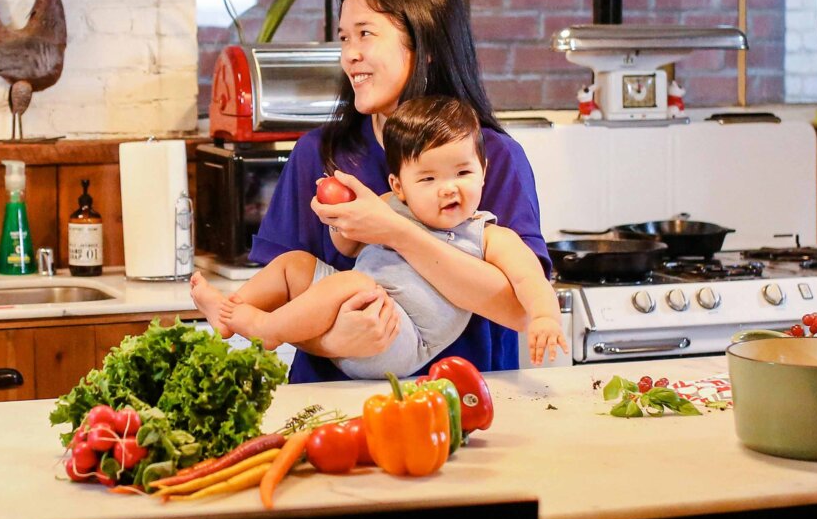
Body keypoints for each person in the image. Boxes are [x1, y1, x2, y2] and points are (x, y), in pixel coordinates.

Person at [242, 0, 552, 383]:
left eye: (366, 33)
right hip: (331, 403)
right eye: (344, 38)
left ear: (424, 47)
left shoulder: (490, 157)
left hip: (460, 403)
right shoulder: (319, 153)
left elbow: (519, 310)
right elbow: (281, 297)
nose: (350, 55)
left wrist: (395, 231)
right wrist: (334, 343)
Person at [192, 95, 567, 372]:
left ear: (484, 170)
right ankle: (233, 310)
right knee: (295, 265)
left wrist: (545, 318)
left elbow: (531, 280)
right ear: (399, 185)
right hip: (357, 314)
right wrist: (341, 221)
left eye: (463, 173)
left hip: (402, 338)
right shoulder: (390, 203)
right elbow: (348, 245)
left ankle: (267, 329)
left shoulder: (487, 235)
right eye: (428, 178)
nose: (448, 188)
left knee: (353, 285)